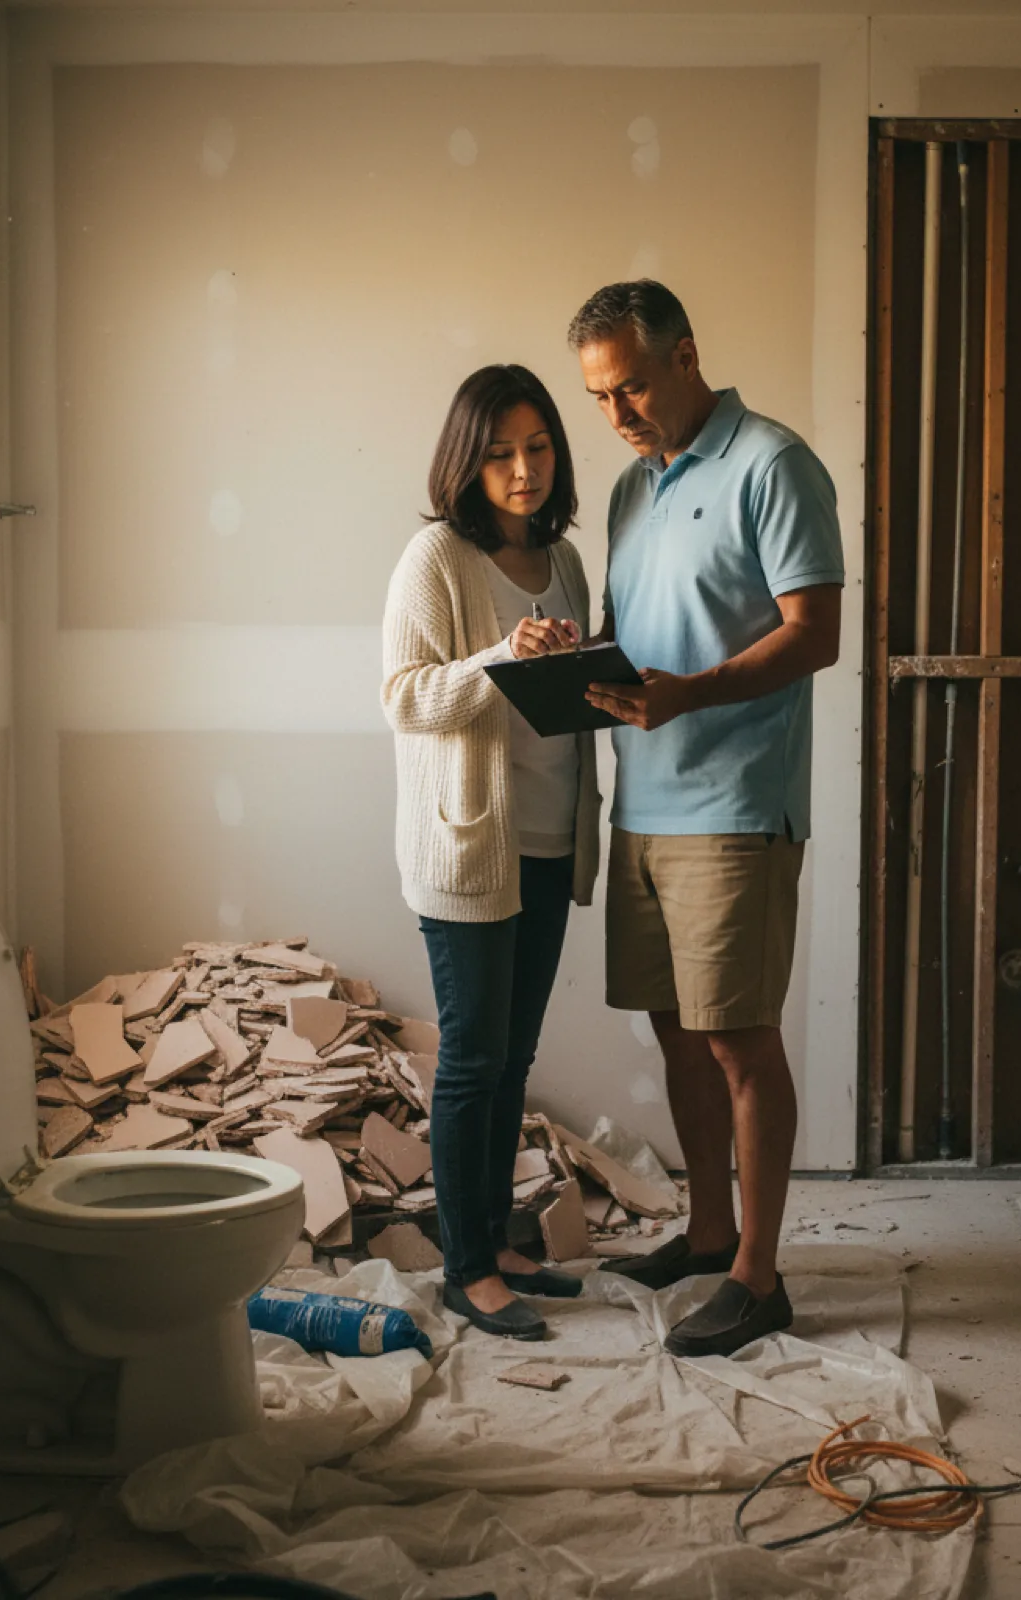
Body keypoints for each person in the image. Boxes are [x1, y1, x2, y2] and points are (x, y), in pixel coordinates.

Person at [569, 280, 844, 1359]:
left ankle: (757, 1277)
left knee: (736, 1038)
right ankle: (705, 1232)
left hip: (733, 805)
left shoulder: (772, 463)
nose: (619, 412)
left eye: (631, 384)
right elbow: (632, 631)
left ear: (686, 355)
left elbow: (814, 633)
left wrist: (691, 690)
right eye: (600, 396)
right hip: (644, 799)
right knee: (676, 1031)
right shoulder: (635, 490)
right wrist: (575, 653)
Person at [381, 364, 601, 1341]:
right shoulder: (433, 558)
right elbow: (404, 696)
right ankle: (466, 1268)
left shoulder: (564, 560)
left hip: (550, 838)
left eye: (539, 447)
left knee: (513, 1055)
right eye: (502, 452)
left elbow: (567, 694)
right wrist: (503, 657)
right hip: (469, 846)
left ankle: (499, 1242)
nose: (523, 469)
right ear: (467, 462)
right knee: (470, 1059)